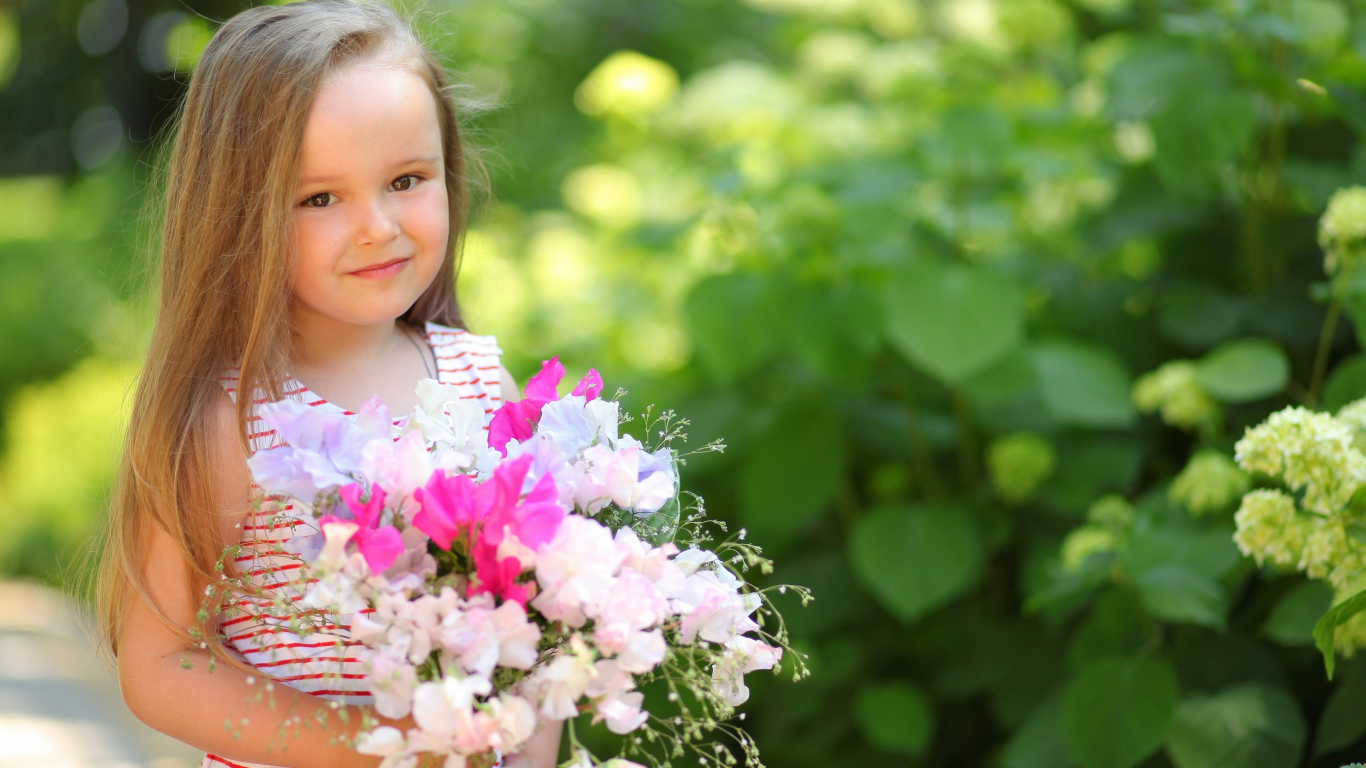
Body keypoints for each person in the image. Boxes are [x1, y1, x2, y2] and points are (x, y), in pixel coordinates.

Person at [94, 3, 562, 766]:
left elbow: (535, 618)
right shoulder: (232, 420)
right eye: (319, 198)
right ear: (237, 214)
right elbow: (160, 667)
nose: (377, 226)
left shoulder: (482, 382)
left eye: (407, 179)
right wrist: (380, 751)